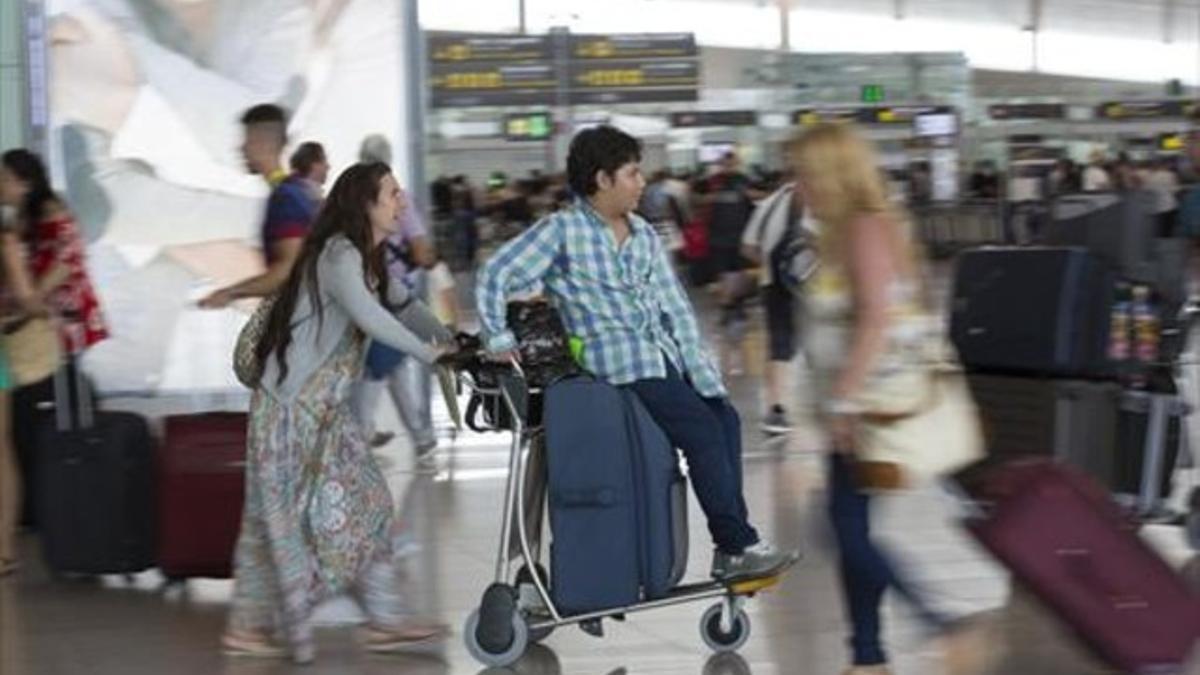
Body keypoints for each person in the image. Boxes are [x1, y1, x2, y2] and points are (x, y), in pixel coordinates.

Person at [476, 125, 797, 582]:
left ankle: (733, 548)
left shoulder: (644, 233)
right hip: (617, 360)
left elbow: (677, 308)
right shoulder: (562, 232)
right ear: (603, 179)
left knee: (723, 419)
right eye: (632, 173)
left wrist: (702, 373)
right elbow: (496, 274)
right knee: (702, 433)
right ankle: (735, 544)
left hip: (660, 355)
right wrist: (498, 338)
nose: (641, 182)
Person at [221, 162, 451, 664]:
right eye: (392, 193)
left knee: (359, 507)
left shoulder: (368, 259)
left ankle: (377, 619)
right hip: (288, 412)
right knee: (280, 522)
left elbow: (404, 304)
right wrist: (428, 353)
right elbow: (370, 315)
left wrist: (454, 342)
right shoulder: (338, 255)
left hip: (323, 412)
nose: (402, 201)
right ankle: (268, 625)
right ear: (365, 203)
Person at [794, 124, 988, 675]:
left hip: (868, 409)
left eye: (806, 173)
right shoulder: (839, 231)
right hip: (857, 407)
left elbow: (879, 320)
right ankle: (869, 655)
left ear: (833, 173)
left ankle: (939, 624)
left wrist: (844, 402)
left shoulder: (865, 228)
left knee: (841, 527)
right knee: (846, 525)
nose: (798, 185)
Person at [352, 136, 440, 458]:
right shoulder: (399, 200)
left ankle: (420, 435)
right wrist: (428, 258)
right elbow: (419, 249)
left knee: (390, 362)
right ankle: (361, 434)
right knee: (380, 362)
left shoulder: (350, 201)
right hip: (392, 292)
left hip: (358, 288)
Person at [200, 104, 319, 309]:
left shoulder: (286, 198)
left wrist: (230, 293)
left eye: (246, 140)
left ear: (261, 143)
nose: (241, 148)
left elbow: (287, 270)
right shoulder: (297, 191)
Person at [740, 178, 815, 436]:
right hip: (819, 287)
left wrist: (778, 263)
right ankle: (838, 402)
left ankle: (776, 410)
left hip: (775, 283)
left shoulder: (770, 203)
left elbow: (748, 247)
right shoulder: (827, 200)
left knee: (779, 347)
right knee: (823, 341)